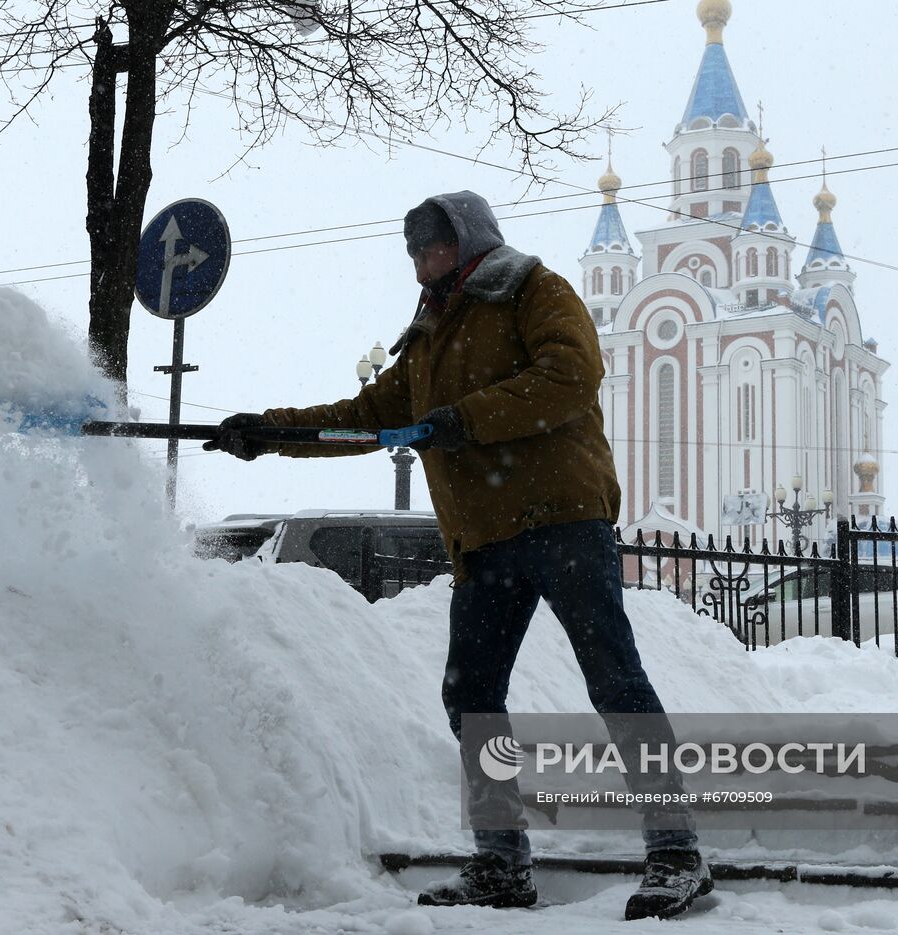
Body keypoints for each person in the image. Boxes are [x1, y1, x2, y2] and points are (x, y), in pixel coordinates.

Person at [205, 191, 712, 921]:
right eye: (409, 246)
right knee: (471, 694)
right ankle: (503, 860)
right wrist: (266, 431)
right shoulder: (430, 327)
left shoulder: (535, 290)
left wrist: (464, 420)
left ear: (466, 239)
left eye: (428, 243)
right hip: (485, 536)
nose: (417, 258)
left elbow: (571, 377)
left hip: (562, 517)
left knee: (614, 678)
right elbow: (367, 415)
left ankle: (675, 849)